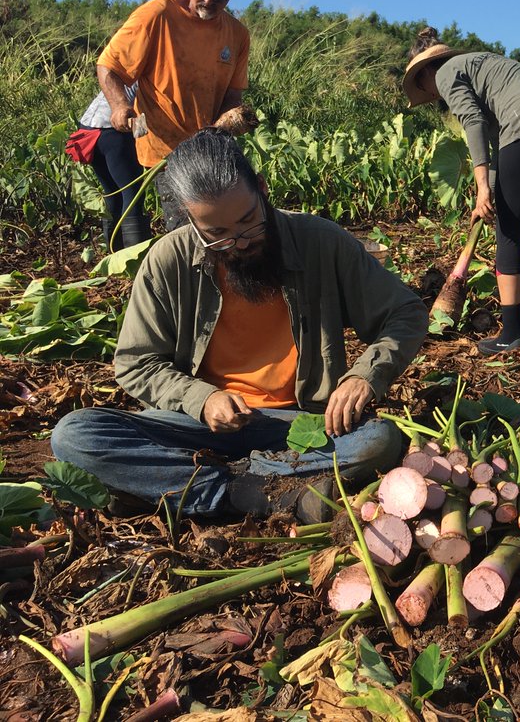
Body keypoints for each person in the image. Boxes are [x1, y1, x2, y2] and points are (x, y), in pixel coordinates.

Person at [50, 129, 428, 522]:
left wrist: (365, 376)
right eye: (218, 234)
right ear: (189, 219)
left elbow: (405, 312)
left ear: (262, 190)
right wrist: (203, 399)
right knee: (75, 435)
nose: (241, 242)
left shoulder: (321, 242)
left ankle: (197, 487)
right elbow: (136, 363)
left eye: (248, 221)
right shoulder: (167, 260)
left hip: (297, 424)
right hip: (195, 426)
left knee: (377, 441)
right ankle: (247, 490)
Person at [403, 28, 520, 354]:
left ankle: (511, 334)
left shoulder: (445, 73)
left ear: (427, 71)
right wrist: (492, 190)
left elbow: (474, 123)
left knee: (509, 233)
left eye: (423, 87)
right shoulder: (484, 64)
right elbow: (503, 145)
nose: (432, 94)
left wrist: (481, 186)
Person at [97, 0, 255, 226]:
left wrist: (230, 120)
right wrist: (120, 105)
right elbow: (109, 66)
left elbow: (233, 94)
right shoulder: (157, 16)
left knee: (226, 224)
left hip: (211, 147)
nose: (208, 0)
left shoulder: (237, 34)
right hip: (166, 148)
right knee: (183, 228)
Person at [70, 85, 152, 249]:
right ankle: (134, 260)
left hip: (88, 128)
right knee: (132, 194)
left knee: (113, 192)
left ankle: (114, 252)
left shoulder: (127, 73)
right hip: (112, 131)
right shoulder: (151, 75)